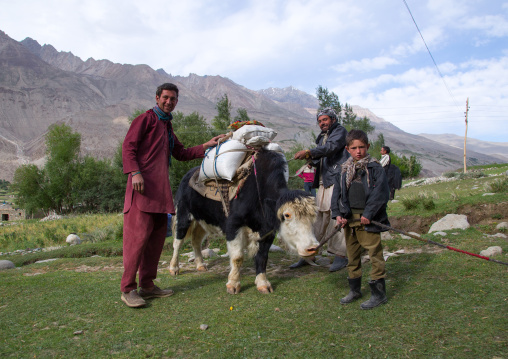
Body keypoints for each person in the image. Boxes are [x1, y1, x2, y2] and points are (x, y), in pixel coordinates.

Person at [121, 83, 224, 308]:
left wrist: (206, 146)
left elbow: (180, 153)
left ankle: (147, 286)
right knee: (136, 241)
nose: (169, 102)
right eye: (165, 97)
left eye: (173, 99)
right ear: (157, 97)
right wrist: (135, 173)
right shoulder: (145, 120)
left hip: (160, 192)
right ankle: (128, 289)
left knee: (156, 241)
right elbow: (128, 147)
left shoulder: (167, 126)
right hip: (141, 190)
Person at [332, 129, 390, 309]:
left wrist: (369, 214)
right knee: (352, 254)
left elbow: (380, 194)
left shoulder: (375, 168)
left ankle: (378, 293)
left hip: (368, 220)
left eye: (362, 147)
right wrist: (338, 214)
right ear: (347, 148)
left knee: (374, 253)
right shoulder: (344, 169)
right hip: (350, 220)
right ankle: (355, 290)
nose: (358, 151)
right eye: (354, 148)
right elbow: (338, 194)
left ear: (368, 147)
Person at [291, 108, 349, 271]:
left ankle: (341, 255)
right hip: (324, 180)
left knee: (335, 216)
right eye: (319, 121)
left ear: (333, 119)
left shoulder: (340, 132)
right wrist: (312, 160)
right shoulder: (322, 137)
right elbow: (324, 156)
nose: (322, 123)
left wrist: (309, 151)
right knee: (319, 218)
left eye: (325, 120)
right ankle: (309, 254)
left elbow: (330, 149)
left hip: (336, 179)